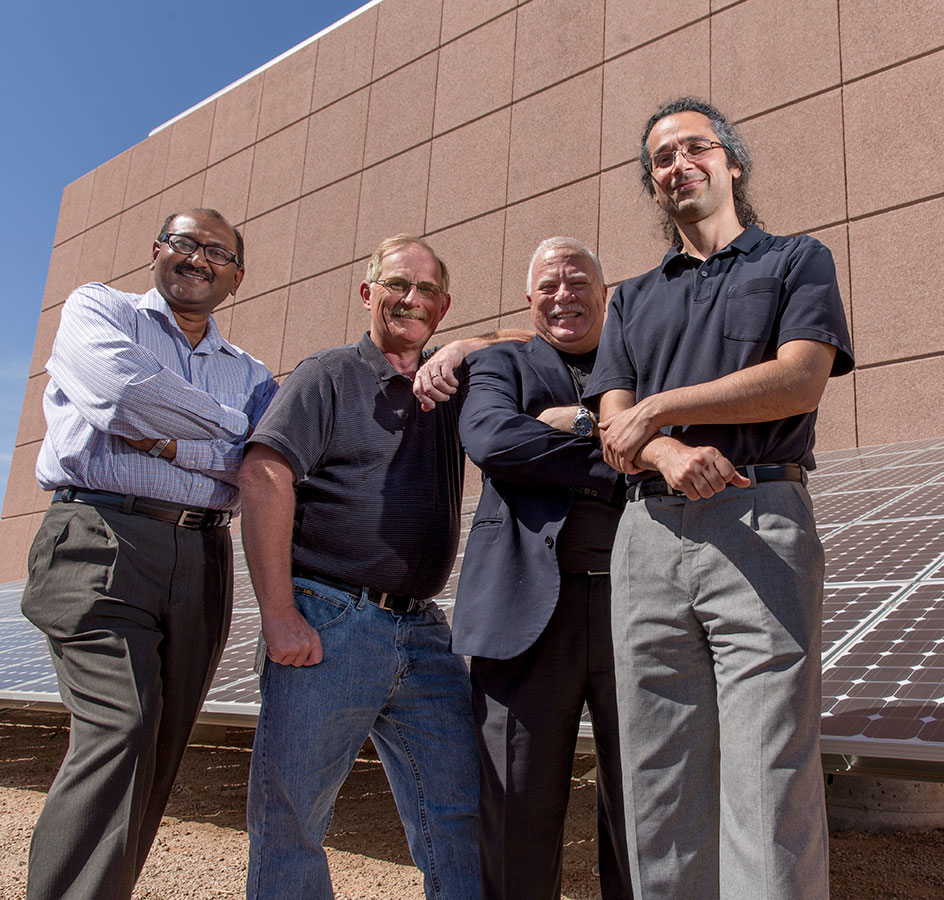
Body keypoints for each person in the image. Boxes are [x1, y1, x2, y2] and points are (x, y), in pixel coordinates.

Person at [586, 98, 855, 899]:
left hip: (760, 523)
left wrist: (665, 410)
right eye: (661, 158)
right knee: (658, 773)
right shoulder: (631, 300)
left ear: (731, 162)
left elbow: (801, 377)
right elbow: (612, 420)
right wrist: (664, 452)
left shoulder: (795, 261)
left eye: (693, 147)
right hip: (647, 542)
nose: (677, 165)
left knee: (769, 770)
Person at [239, 233, 517, 900]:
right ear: (368, 293)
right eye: (397, 284)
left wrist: (463, 350)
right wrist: (279, 614)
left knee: (458, 811)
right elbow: (265, 473)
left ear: (442, 309)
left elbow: (538, 339)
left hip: (423, 634)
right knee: (293, 820)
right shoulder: (329, 374)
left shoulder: (454, 386)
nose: (410, 299)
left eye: (426, 291)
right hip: (328, 623)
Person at [21, 208, 277, 900]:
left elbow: (265, 461)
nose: (198, 258)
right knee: (121, 726)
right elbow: (122, 391)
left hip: (203, 557)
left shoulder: (253, 372)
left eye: (216, 252)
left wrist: (168, 442)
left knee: (160, 748)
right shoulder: (98, 310)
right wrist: (228, 435)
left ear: (237, 277)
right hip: (99, 539)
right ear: (157, 250)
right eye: (185, 243)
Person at [452, 237, 632, 899]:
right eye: (549, 286)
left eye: (578, 281)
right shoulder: (501, 363)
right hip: (521, 620)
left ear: (604, 292)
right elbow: (494, 438)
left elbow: (680, 440)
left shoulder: (640, 364)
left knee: (643, 807)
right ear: (530, 301)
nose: (564, 295)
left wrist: (574, 424)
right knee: (515, 814)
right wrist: (619, 445)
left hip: (637, 610)